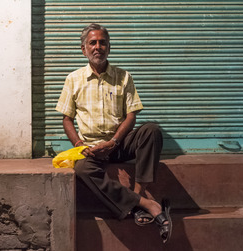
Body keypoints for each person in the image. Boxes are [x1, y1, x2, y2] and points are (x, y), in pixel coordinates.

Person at [55, 23, 171, 243]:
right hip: (90, 147)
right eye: (92, 43)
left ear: (109, 47)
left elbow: (131, 116)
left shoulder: (123, 77)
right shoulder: (73, 79)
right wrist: (80, 145)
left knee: (151, 131)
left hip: (119, 143)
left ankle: (139, 191)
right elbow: (67, 119)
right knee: (82, 170)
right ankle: (144, 204)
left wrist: (114, 141)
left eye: (102, 42)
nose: (98, 47)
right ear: (84, 49)